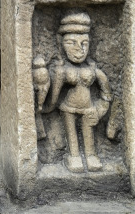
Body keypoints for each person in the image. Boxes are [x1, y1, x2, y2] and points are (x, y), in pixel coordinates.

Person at [34, 11, 112, 172]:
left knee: (88, 132)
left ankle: (91, 155)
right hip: (67, 108)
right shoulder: (62, 71)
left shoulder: (93, 70)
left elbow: (107, 94)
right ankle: (74, 156)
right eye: (71, 43)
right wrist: (43, 107)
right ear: (61, 44)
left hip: (89, 108)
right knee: (72, 135)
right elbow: (54, 98)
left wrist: (100, 110)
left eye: (85, 43)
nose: (79, 49)